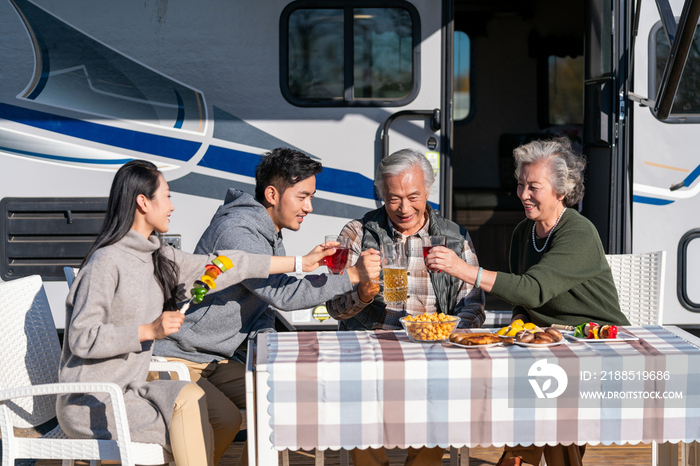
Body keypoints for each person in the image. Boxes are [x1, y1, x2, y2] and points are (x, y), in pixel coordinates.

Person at [57, 160, 337, 466]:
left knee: (224, 419)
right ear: (142, 202)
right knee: (192, 408)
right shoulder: (106, 263)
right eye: (166, 196)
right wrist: (148, 330)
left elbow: (230, 264)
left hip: (135, 390)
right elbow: (81, 338)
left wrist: (302, 263)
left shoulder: (158, 256)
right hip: (94, 402)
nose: (172, 206)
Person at [153, 147, 380, 464]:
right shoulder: (238, 231)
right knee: (230, 417)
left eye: (311, 197)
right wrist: (352, 276)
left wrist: (266, 339)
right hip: (177, 356)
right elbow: (283, 294)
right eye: (302, 197)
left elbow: (263, 303)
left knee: (281, 397)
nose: (309, 207)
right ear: (272, 194)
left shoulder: (267, 231)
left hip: (212, 359)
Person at [425, 137, 630, 466]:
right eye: (520, 185)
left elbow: (532, 289)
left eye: (534, 187)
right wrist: (518, 327)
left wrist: (463, 270)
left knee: (548, 405)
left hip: (595, 343)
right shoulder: (525, 231)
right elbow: (523, 303)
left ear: (560, 190)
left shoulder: (578, 232)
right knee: (540, 402)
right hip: (549, 343)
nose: (523, 195)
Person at [326, 148, 485, 466]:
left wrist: (450, 333)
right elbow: (333, 306)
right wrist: (363, 293)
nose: (403, 207)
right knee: (356, 398)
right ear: (381, 193)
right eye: (393, 197)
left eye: (413, 196)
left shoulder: (454, 238)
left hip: (433, 350)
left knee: (445, 398)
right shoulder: (358, 233)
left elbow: (473, 304)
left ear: (428, 190)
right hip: (371, 348)